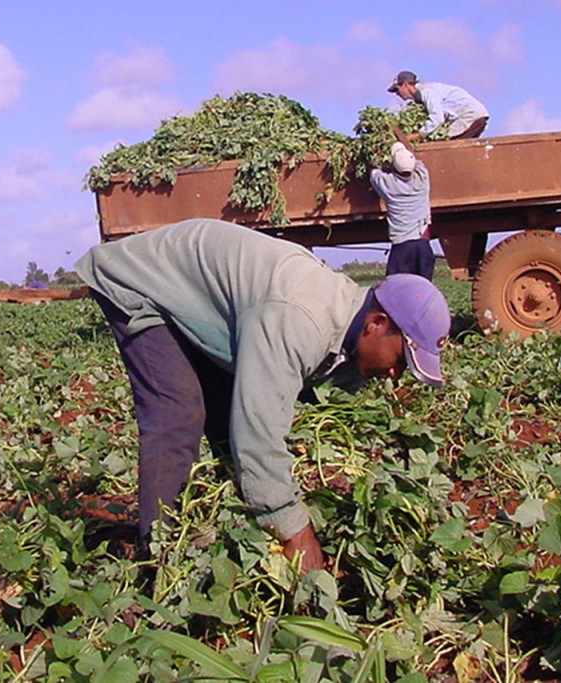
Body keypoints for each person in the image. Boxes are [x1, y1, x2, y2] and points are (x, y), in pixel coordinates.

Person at [75, 219, 451, 574]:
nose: (393, 376)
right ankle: (156, 556)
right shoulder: (300, 319)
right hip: (144, 280)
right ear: (376, 323)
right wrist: (295, 532)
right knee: (178, 413)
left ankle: (219, 514)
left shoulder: (348, 317)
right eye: (401, 361)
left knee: (225, 413)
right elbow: (258, 436)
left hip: (201, 295)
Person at [370, 139, 435, 280]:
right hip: (423, 246)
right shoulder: (423, 179)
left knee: (398, 289)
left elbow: (374, 173)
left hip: (402, 247)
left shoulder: (388, 184)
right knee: (423, 287)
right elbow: (418, 163)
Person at [388, 70, 489, 140]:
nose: (397, 94)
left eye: (397, 89)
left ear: (406, 85)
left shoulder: (427, 92)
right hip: (474, 116)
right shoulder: (421, 96)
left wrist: (417, 135)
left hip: (469, 116)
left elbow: (437, 118)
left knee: (447, 147)